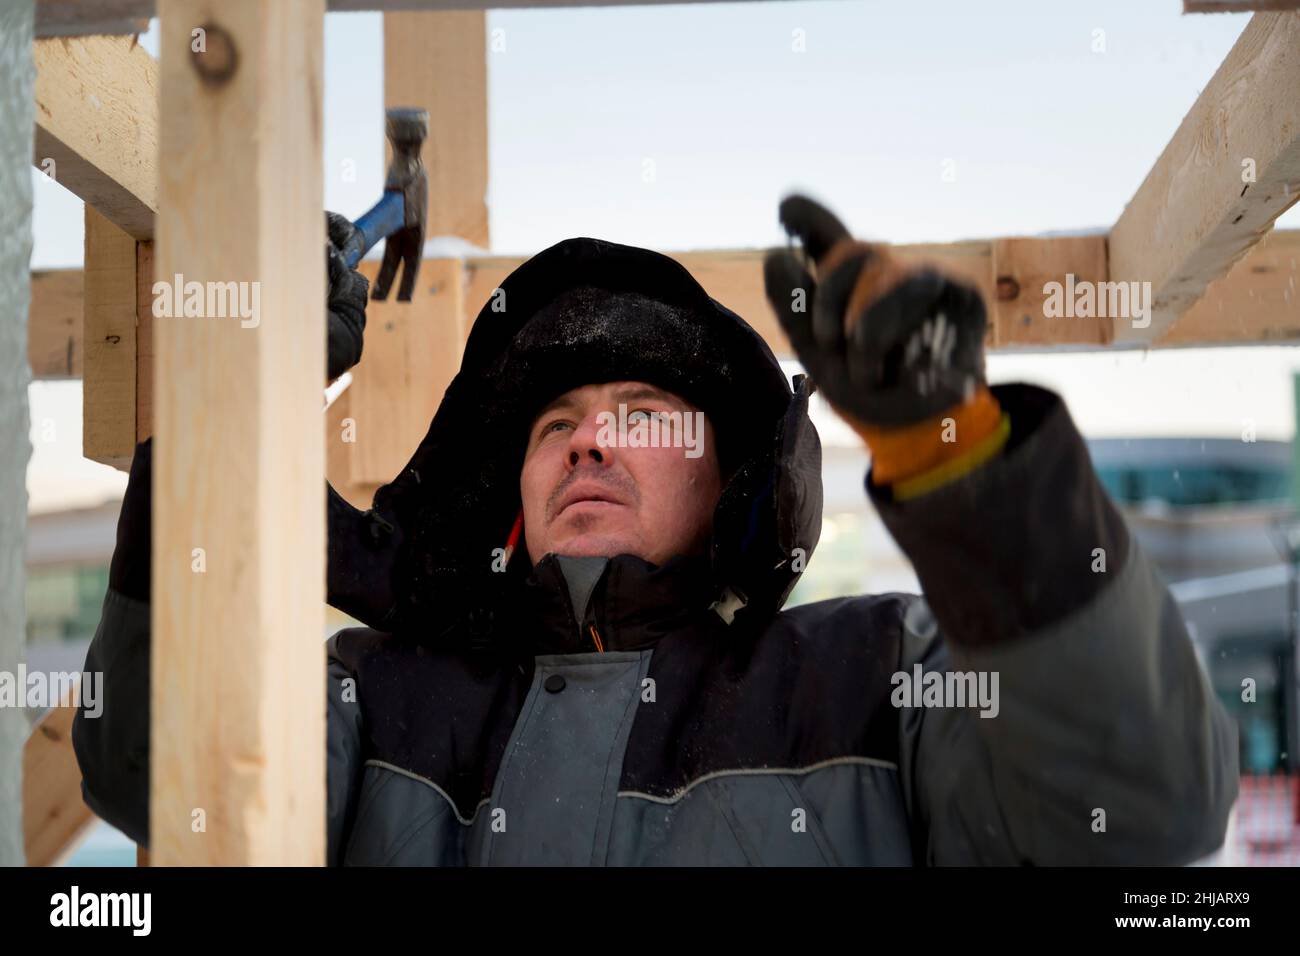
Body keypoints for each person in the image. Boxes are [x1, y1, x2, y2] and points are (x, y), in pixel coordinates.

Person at [73, 195, 1238, 866]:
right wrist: (241, 402)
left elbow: (1147, 805)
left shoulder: (882, 676)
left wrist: (950, 446)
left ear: (733, 483)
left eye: (642, 417)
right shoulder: (366, 695)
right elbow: (148, 771)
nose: (588, 441)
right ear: (512, 505)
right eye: (557, 424)